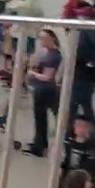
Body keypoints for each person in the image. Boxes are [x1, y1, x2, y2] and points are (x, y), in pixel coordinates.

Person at [22, 29, 63, 157]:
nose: (40, 41)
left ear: (51, 39)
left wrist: (32, 74)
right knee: (42, 118)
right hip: (42, 89)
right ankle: (40, 143)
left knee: (42, 118)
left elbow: (47, 77)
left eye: (43, 38)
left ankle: (40, 145)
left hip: (45, 90)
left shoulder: (52, 56)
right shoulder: (47, 53)